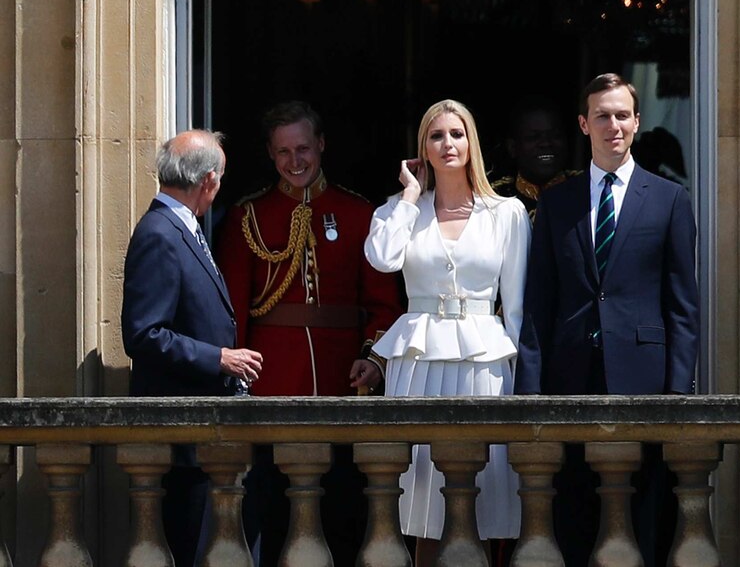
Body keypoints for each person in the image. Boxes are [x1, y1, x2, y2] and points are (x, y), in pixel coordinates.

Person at [515, 73, 699, 567]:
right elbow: (539, 304)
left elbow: (683, 305)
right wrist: (529, 391)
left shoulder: (670, 199)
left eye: (622, 115)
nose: (612, 125)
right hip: (569, 377)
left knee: (644, 516)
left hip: (645, 380)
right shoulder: (557, 202)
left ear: (637, 122)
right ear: (583, 124)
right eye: (602, 115)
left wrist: (678, 392)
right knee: (573, 513)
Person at [215, 101, 402, 566]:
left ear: (321, 145)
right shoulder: (247, 218)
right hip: (271, 385)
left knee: (344, 511)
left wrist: (373, 358)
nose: (295, 161)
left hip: (344, 381)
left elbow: (384, 304)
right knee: (273, 513)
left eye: (303, 148)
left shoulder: (359, 214)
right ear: (270, 154)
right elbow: (233, 311)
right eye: (283, 152)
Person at [365, 99, 531, 565]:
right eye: (436, 136)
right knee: (421, 495)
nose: (448, 144)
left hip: (485, 360)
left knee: (482, 493)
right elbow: (381, 258)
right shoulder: (400, 210)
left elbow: (515, 308)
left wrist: (523, 383)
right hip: (418, 360)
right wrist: (410, 195)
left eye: (457, 134)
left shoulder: (507, 213)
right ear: (423, 150)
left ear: (471, 142)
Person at [121, 129, 264, 567]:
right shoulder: (160, 233)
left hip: (206, 437)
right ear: (208, 181)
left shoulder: (183, 227)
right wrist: (218, 358)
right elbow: (143, 335)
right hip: (183, 440)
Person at [491, 95, 579, 219]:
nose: (545, 143)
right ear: (512, 148)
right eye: (533, 137)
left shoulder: (585, 188)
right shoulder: (494, 197)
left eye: (555, 135)